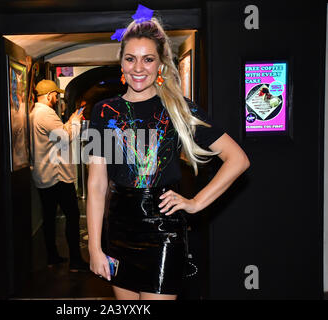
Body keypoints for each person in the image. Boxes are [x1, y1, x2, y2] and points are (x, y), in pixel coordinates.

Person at [86, 17, 250, 300]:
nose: (139, 68)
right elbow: (97, 185)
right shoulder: (103, 112)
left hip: (163, 232)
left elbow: (237, 159)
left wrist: (196, 203)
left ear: (160, 64)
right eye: (131, 59)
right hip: (119, 230)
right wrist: (94, 249)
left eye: (148, 59)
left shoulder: (178, 109)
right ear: (121, 63)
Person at [29, 79, 88, 272]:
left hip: (44, 174)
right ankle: (76, 261)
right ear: (48, 96)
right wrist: (77, 123)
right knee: (72, 216)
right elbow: (64, 138)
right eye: (56, 95)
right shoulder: (46, 113)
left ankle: (52, 257)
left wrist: (70, 121)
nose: (57, 98)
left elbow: (59, 132)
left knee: (48, 216)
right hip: (57, 176)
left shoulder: (34, 113)